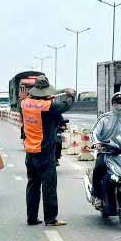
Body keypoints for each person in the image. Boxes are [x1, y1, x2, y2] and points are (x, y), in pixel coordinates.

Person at [19, 75, 75, 226]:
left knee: (33, 185)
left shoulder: (24, 103)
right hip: (44, 152)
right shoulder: (47, 106)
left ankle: (32, 218)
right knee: (49, 185)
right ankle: (50, 218)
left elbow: (29, 100)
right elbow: (65, 105)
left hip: (30, 151)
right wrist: (71, 95)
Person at [90, 92, 121, 195]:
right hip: (106, 152)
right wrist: (97, 142)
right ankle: (97, 195)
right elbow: (93, 132)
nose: (119, 105)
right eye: (117, 102)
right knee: (98, 169)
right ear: (112, 103)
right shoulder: (104, 118)